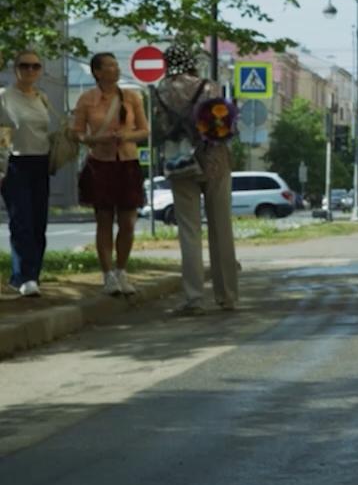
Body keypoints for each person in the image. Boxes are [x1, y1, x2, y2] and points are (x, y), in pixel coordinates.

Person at [152, 43, 237, 315]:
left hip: (181, 162)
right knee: (221, 228)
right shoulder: (209, 87)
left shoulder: (161, 91)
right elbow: (224, 124)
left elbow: (161, 128)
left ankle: (194, 298)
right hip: (214, 160)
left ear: (167, 64)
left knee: (189, 231)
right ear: (191, 62)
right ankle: (227, 296)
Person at [71, 51, 148, 297]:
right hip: (100, 164)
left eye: (116, 65)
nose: (115, 69)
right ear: (97, 72)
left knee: (127, 222)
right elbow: (77, 132)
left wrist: (127, 136)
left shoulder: (132, 96)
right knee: (104, 220)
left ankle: (121, 270)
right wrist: (94, 139)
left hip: (127, 162)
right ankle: (107, 275)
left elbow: (144, 130)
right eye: (109, 66)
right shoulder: (87, 99)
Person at [0, 50, 54, 297]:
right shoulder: (5, 96)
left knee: (38, 223)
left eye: (35, 66)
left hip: (40, 163)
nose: (30, 70)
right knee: (21, 221)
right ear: (15, 69)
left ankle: (33, 274)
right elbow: (2, 134)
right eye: (25, 66)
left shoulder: (42, 97)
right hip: (15, 163)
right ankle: (24, 277)